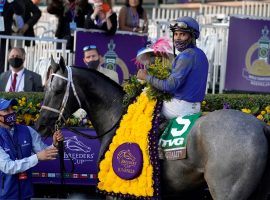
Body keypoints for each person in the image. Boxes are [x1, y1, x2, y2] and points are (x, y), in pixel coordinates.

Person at [137, 17, 209, 119]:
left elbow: (169, 86)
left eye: (182, 34)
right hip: (194, 106)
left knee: (143, 106)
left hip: (179, 107)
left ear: (191, 37)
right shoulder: (200, 54)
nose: (178, 38)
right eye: (176, 34)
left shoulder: (186, 56)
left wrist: (147, 77)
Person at [0, 98, 64, 200]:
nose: (11, 112)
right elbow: (8, 167)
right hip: (4, 196)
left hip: (26, 194)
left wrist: (55, 145)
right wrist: (37, 157)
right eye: (6, 110)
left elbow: (46, 153)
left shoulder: (27, 130)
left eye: (12, 109)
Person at [0, 0, 25, 73]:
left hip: (4, 38)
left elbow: (20, 11)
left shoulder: (10, 2)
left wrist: (12, 1)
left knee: (3, 61)